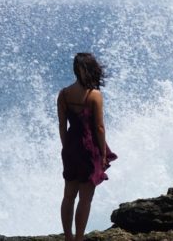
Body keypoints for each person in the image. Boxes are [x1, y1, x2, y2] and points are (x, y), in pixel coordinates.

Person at [57, 52, 117, 241]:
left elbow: (62, 125)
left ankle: (68, 237)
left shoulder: (64, 94)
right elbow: (99, 128)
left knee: (68, 196)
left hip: (70, 147)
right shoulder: (94, 95)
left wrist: (66, 148)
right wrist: (104, 154)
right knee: (85, 198)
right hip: (89, 149)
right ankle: (79, 238)